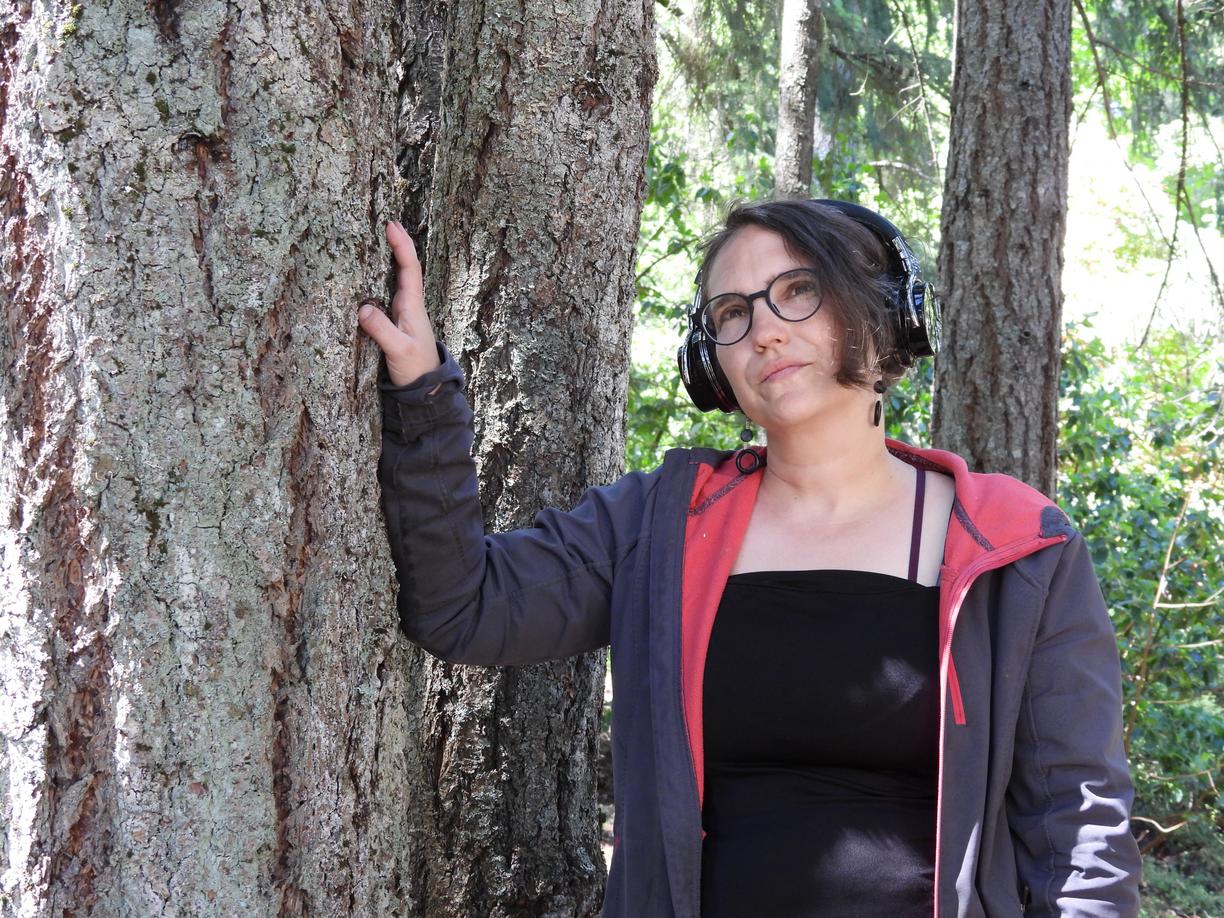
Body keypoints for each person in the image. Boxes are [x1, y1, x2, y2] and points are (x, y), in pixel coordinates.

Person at [356, 199, 1142, 917]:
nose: (764, 330)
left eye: (798, 292)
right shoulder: (659, 527)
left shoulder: (1015, 544)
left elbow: (1077, 822)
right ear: (713, 364)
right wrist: (424, 394)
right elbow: (465, 607)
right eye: (732, 313)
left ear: (882, 310)